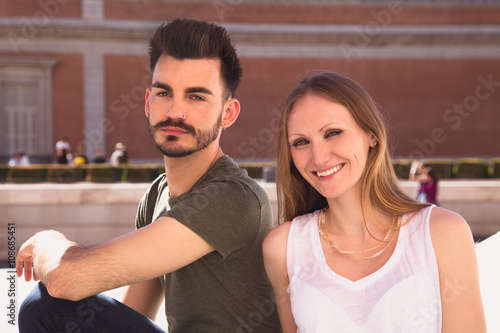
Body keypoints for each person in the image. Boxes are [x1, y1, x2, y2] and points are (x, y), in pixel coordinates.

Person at [17, 19, 281, 333]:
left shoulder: (235, 198)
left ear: (228, 113)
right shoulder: (157, 196)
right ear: (147, 102)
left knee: (42, 305)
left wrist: (46, 239)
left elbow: (65, 279)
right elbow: (129, 312)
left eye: (196, 97)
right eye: (164, 93)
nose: (175, 112)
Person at [262, 72, 486, 332]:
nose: (319, 157)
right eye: (301, 142)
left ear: (371, 135)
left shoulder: (443, 233)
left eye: (333, 133)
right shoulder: (282, 248)